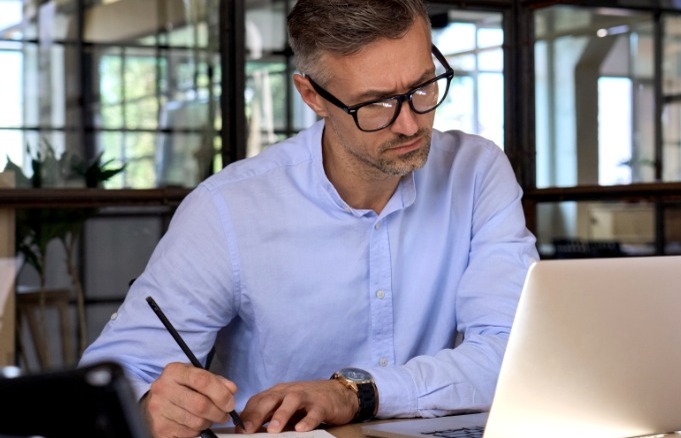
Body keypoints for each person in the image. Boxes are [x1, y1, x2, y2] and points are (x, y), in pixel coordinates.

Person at [79, 0, 538, 436]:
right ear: (312, 96)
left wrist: (356, 394)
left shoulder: (475, 172)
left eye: (422, 86)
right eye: (376, 103)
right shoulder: (229, 209)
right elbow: (112, 379)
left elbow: (516, 354)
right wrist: (150, 407)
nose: (410, 124)